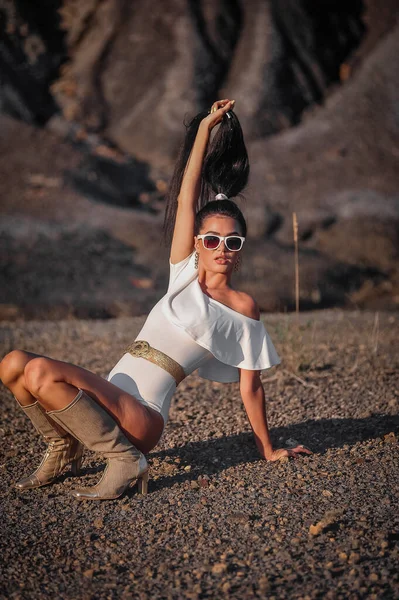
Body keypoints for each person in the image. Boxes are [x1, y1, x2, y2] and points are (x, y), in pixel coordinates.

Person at [0, 98, 312, 501]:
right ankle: (64, 448)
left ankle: (128, 460)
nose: (222, 248)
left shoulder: (242, 307)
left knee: (41, 371)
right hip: (110, 399)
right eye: (212, 239)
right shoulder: (181, 273)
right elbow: (186, 198)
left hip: (141, 417)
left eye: (232, 241)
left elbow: (250, 388)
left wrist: (268, 449)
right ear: (199, 242)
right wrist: (203, 129)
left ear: (240, 248)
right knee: (12, 365)